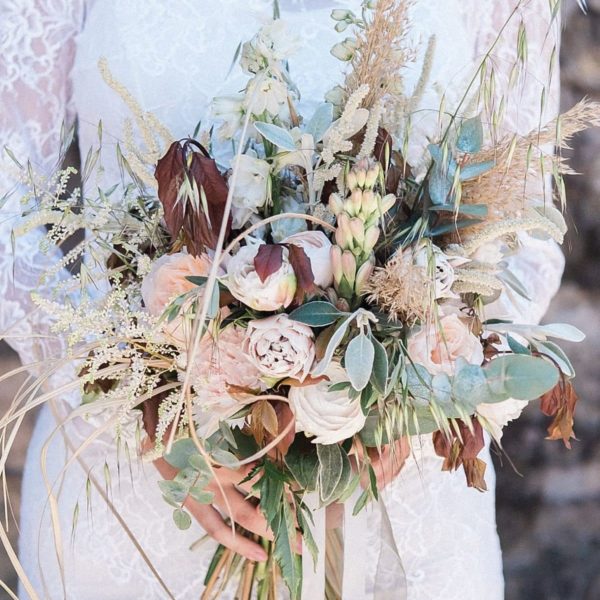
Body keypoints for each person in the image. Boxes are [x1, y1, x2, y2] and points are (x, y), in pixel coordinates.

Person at [0, 1, 565, 598]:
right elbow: (7, 216)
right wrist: (147, 412)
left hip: (403, 497)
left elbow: (528, 232)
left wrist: (411, 396)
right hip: (131, 497)